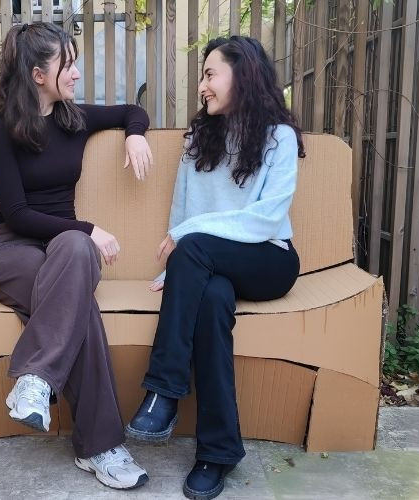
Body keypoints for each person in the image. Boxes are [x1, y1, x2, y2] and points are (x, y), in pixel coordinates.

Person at [124, 36, 305, 500]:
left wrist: (188, 240)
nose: (202, 86)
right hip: (208, 267)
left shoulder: (279, 137)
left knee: (194, 249)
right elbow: (182, 213)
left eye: (210, 74)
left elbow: (265, 219)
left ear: (242, 75)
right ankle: (217, 453)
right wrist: (176, 270)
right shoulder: (198, 138)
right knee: (213, 298)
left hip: (269, 258)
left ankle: (164, 391)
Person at [0, 22, 154, 490]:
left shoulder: (75, 119)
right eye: (68, 64)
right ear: (38, 75)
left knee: (74, 253)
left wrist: (135, 134)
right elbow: (17, 214)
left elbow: (132, 110)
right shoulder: (2, 132)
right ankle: (101, 448)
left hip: (65, 250)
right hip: (11, 248)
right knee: (79, 296)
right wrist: (88, 228)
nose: (76, 73)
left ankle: (36, 379)